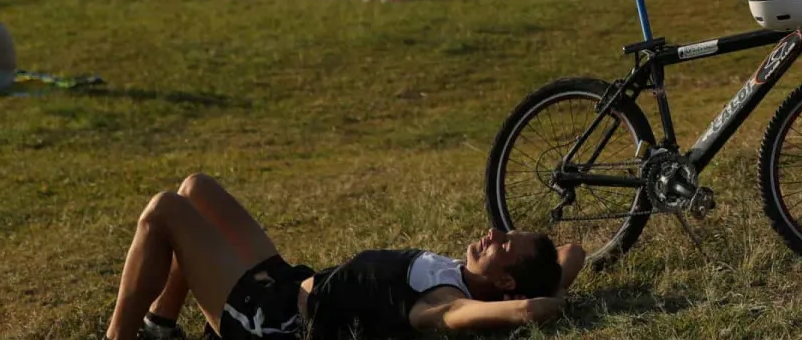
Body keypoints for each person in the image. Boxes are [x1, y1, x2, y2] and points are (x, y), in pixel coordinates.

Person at [103, 172, 582, 340]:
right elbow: (572, 250)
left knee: (164, 211)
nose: (493, 233)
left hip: (272, 321)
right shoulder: (468, 275)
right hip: (290, 284)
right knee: (196, 188)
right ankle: (158, 328)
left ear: (503, 285)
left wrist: (543, 303)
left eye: (503, 245)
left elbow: (526, 308)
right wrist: (554, 281)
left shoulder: (443, 302)